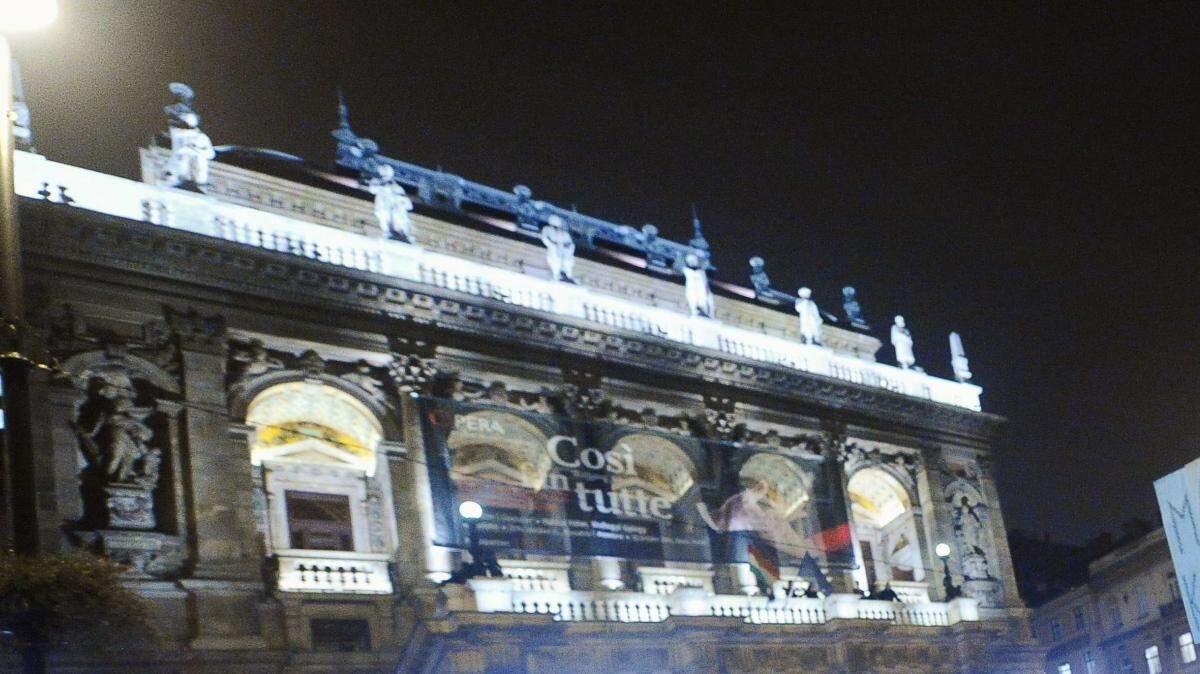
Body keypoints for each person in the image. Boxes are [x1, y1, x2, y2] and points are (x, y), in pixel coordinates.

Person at [369, 164, 414, 241]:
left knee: (396, 218)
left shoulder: (396, 187)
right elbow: (372, 189)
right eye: (383, 174)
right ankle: (390, 233)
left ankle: (400, 234)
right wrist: (382, 187)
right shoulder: (377, 183)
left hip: (395, 209)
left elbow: (407, 204)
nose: (384, 176)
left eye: (386, 174)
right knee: (385, 217)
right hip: (384, 207)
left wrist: (400, 201)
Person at [541, 214, 576, 282]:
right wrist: (553, 245)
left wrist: (567, 247)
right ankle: (557, 276)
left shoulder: (564, 233)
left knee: (567, 262)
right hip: (554, 250)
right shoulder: (547, 229)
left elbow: (570, 244)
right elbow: (545, 238)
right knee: (556, 261)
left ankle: (567, 275)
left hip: (564, 251)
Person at [682, 252, 714, 318]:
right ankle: (696, 312)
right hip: (693, 290)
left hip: (702, 292)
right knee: (694, 300)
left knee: (704, 301)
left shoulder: (701, 271)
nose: (693, 262)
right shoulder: (687, 270)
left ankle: (705, 313)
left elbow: (706, 263)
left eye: (694, 260)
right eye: (690, 261)